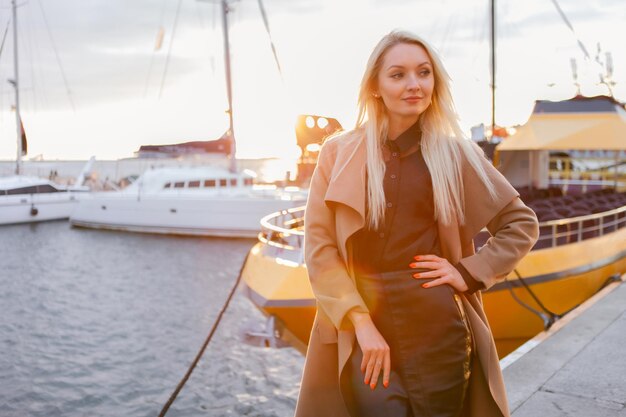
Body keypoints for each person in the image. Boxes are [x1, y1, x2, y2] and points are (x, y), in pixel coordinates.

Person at [294, 30, 539, 417]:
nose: (414, 84)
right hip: (363, 322)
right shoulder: (338, 152)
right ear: (375, 86)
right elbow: (320, 248)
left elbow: (521, 223)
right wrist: (361, 324)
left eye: (424, 73)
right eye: (398, 75)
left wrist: (466, 272)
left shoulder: (454, 153)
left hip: (438, 327)